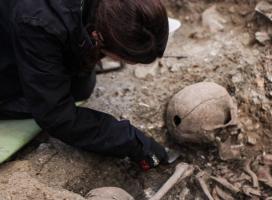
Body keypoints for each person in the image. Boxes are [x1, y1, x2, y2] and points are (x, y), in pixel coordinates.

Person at [0, 0, 169, 170]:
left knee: (81, 87)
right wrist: (131, 141)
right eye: (123, 59)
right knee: (46, 102)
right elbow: (56, 116)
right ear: (98, 36)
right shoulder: (40, 22)